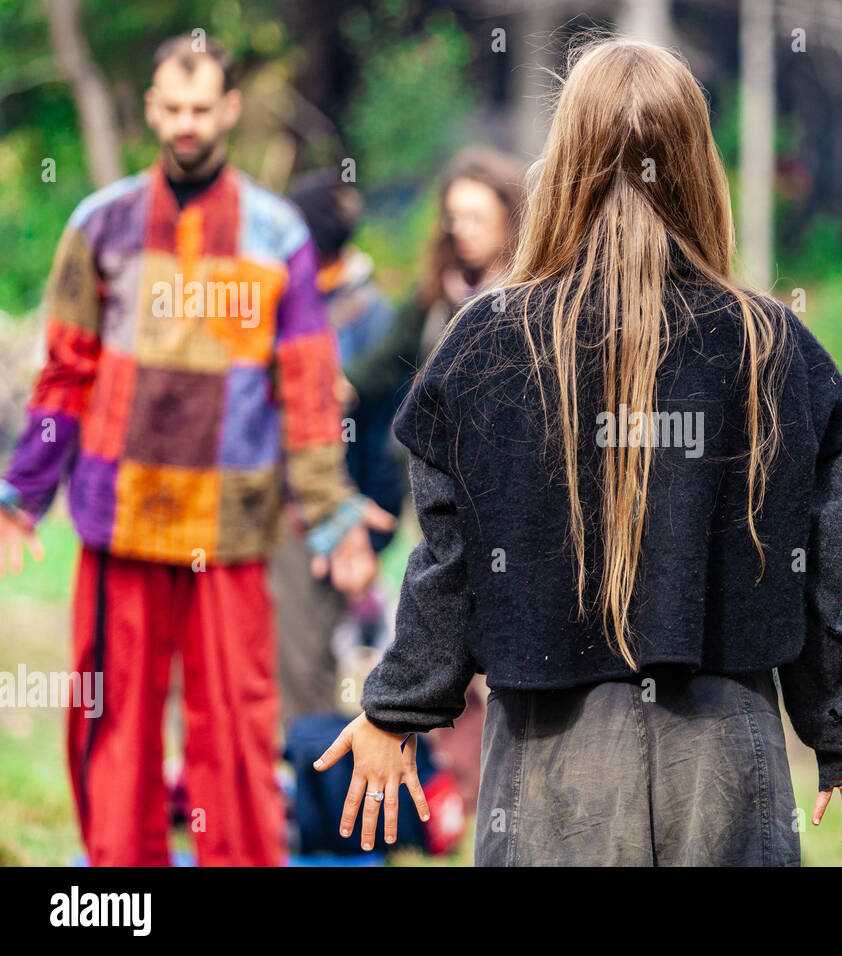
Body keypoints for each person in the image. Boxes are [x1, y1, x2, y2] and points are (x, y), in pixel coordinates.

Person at [314, 36, 842, 866]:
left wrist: (398, 709)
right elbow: (817, 572)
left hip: (553, 760)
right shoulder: (773, 344)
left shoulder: (485, 342)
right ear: (700, 164)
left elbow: (446, 561)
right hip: (727, 754)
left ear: (564, 164)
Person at [0, 36, 392, 866]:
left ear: (228, 111)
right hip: (118, 520)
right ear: (151, 109)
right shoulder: (98, 224)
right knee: (111, 724)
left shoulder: (275, 231)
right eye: (171, 109)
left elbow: (309, 393)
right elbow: (64, 373)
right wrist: (20, 496)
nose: (185, 125)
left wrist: (333, 521)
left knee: (240, 728)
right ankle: (119, 885)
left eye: (200, 109)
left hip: (233, 522)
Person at [342, 145, 526, 817]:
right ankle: (462, 798)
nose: (464, 229)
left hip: (505, 510)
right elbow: (374, 371)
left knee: (490, 651)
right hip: (435, 503)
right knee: (444, 640)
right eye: (454, 217)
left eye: (478, 216)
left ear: (511, 218)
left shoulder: (528, 299)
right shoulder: (433, 296)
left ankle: (493, 797)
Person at [271, 170, 403, 732]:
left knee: (306, 665)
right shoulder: (268, 300)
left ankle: (305, 793)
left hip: (326, 520)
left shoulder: (373, 319)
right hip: (260, 508)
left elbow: (385, 440)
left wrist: (370, 533)